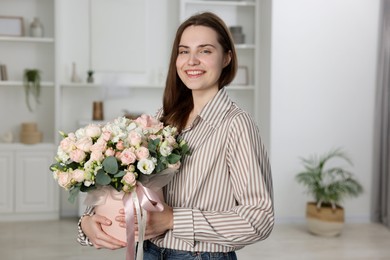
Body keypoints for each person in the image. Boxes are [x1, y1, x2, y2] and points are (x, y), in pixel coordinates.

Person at [77, 11, 274, 259]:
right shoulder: (164, 118)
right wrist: (89, 221)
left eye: (205, 51)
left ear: (226, 57)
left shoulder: (236, 125)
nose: (191, 61)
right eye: (183, 51)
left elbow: (260, 218)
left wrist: (173, 219)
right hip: (150, 251)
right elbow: (134, 189)